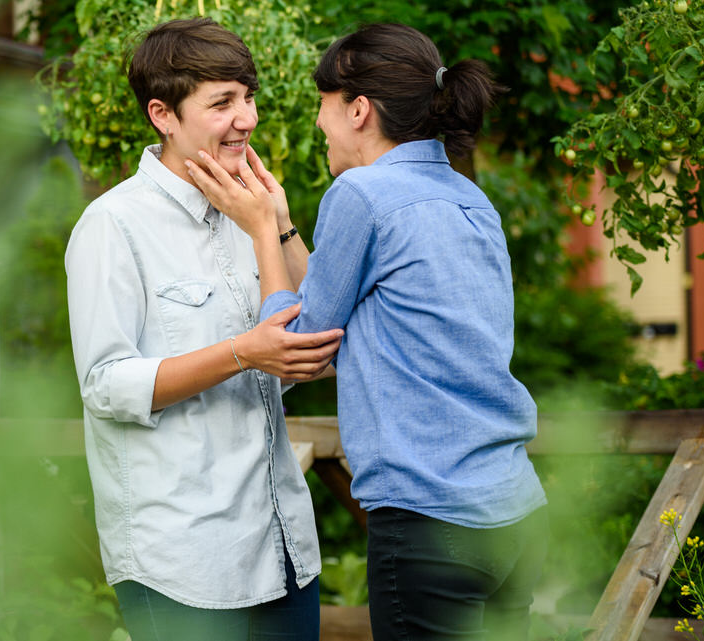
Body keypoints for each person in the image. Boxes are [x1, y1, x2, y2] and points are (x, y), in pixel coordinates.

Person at [187, 22, 548, 641]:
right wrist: (282, 225)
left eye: (323, 105)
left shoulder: (362, 193)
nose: (319, 123)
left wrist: (256, 229)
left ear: (358, 109)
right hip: (513, 514)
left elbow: (305, 349)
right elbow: (334, 306)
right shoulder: (468, 198)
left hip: (430, 522)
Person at [64, 18, 343, 641]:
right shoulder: (113, 225)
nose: (246, 117)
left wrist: (278, 223)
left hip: (284, 548)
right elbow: (106, 385)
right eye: (222, 102)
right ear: (162, 114)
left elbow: (317, 348)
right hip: (182, 561)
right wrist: (243, 352)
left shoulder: (251, 213)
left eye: (248, 97)